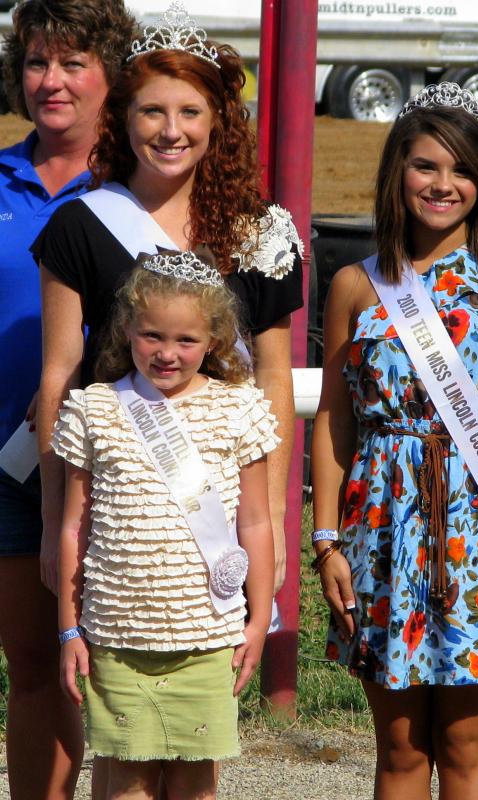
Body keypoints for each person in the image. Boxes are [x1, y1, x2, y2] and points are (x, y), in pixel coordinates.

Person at [311, 82, 478, 800]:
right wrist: (326, 538)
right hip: (381, 529)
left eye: (461, 169)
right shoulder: (358, 285)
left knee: (463, 745)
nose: (443, 184)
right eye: (425, 165)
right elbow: (335, 417)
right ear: (397, 171)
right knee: (397, 749)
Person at [35, 2, 303, 610]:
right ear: (122, 120)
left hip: (226, 501)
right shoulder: (79, 225)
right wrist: (55, 522)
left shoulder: (259, 232)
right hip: (117, 501)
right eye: (152, 110)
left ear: (218, 122)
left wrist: (276, 517)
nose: (170, 130)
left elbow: (274, 374)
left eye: (190, 111)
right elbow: (59, 373)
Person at [53, 250, 276, 800]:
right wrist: (67, 627)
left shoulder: (239, 409)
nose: (167, 354)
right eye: (152, 335)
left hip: (207, 634)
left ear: (215, 340)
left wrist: (259, 618)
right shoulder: (95, 409)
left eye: (186, 341)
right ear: (127, 326)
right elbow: (71, 528)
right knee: (124, 782)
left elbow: (256, 521)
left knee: (195, 784)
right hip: (116, 632)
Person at [0, 2, 136, 797]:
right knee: (36, 673)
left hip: (119, 473)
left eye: (73, 62)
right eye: (36, 62)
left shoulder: (141, 190)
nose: (51, 81)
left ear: (110, 74)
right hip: (12, 470)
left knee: (109, 676)